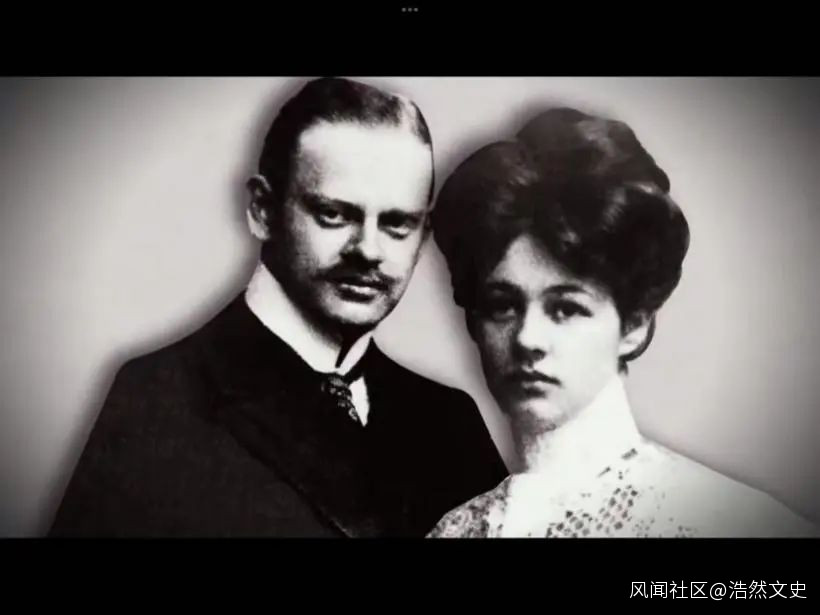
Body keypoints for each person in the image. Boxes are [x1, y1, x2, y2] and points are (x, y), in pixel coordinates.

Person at [49, 77, 507, 538]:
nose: (368, 250)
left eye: (397, 224)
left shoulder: (449, 422)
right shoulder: (158, 396)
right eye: (334, 214)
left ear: (423, 235)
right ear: (263, 210)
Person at [427, 107, 818, 538]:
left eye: (566, 309)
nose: (528, 339)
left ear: (633, 326)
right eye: (502, 306)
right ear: (473, 321)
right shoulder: (457, 531)